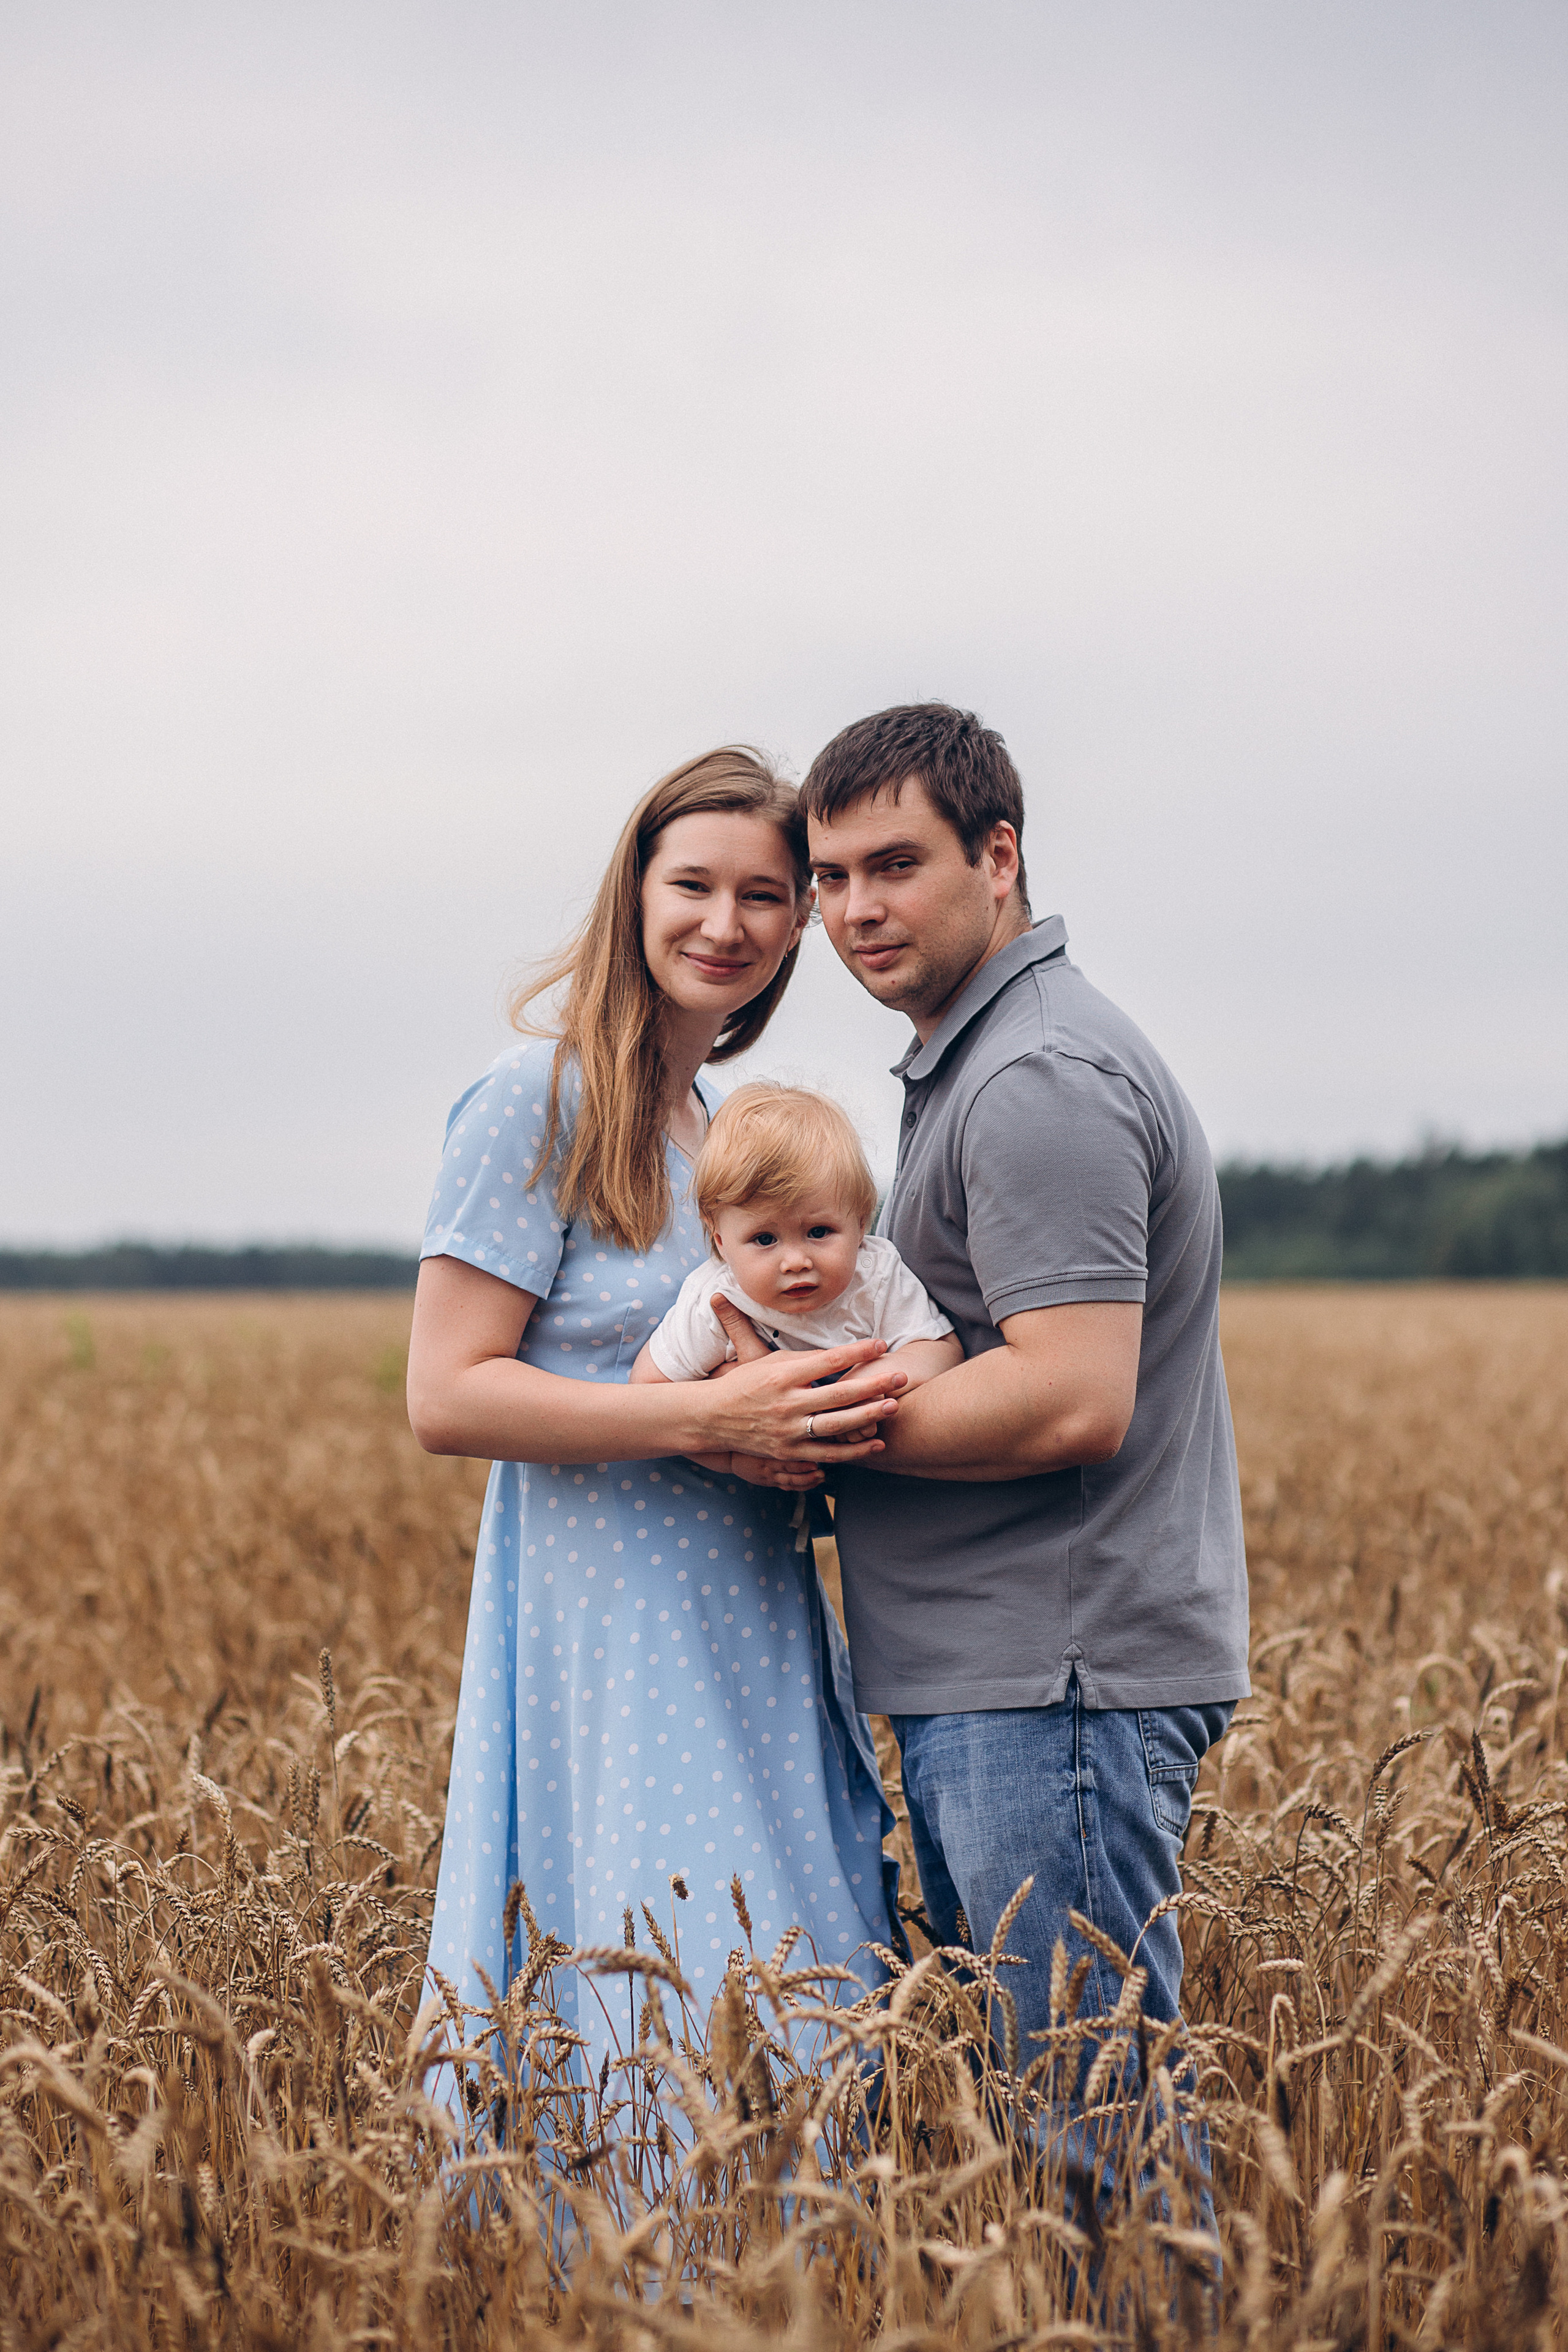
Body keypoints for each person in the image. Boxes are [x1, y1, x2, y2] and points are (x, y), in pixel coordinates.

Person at [405, 748, 911, 2109]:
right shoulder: (542, 1098)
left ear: (797, 921)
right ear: (632, 893)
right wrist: (703, 1413)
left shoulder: (721, 1133)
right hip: (610, 1625)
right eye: (692, 884)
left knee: (795, 1990)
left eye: (763, 894)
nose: (725, 924)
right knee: (660, 1990)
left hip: (751, 1608)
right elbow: (447, 1394)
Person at [794, 701, 1250, 2076]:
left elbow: (1067, 1397)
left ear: (997, 857)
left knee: (1086, 2134)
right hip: (1010, 1676)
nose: (854, 910)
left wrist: (794, 1428)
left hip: (1047, 1679)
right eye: (828, 878)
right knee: (1049, 2140)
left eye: (894, 865)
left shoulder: (1035, 1075)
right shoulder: (982, 1055)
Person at [630, 1080, 960, 1400]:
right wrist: (729, 1396)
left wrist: (857, 1389)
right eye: (764, 1239)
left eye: (819, 1233)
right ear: (720, 1242)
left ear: (861, 1224)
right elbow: (647, 1388)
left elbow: (940, 1351)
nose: (796, 1262)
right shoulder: (716, 1302)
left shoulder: (877, 1278)